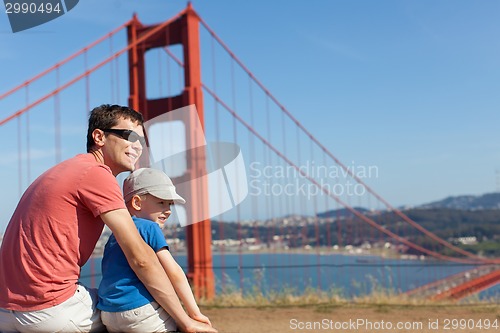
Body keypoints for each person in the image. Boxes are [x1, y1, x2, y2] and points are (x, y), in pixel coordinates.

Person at [0, 104, 216, 333]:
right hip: (49, 310)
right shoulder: (96, 173)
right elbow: (141, 258)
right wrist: (187, 321)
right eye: (130, 137)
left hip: (6, 309)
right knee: (149, 316)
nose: (137, 147)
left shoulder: (61, 170)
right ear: (99, 136)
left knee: (109, 304)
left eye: (141, 142)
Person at [98, 168, 213, 332]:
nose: (168, 210)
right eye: (161, 202)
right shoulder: (149, 227)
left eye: (170, 204)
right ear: (137, 203)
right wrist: (195, 314)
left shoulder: (115, 235)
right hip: (140, 311)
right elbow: (174, 272)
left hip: (109, 313)